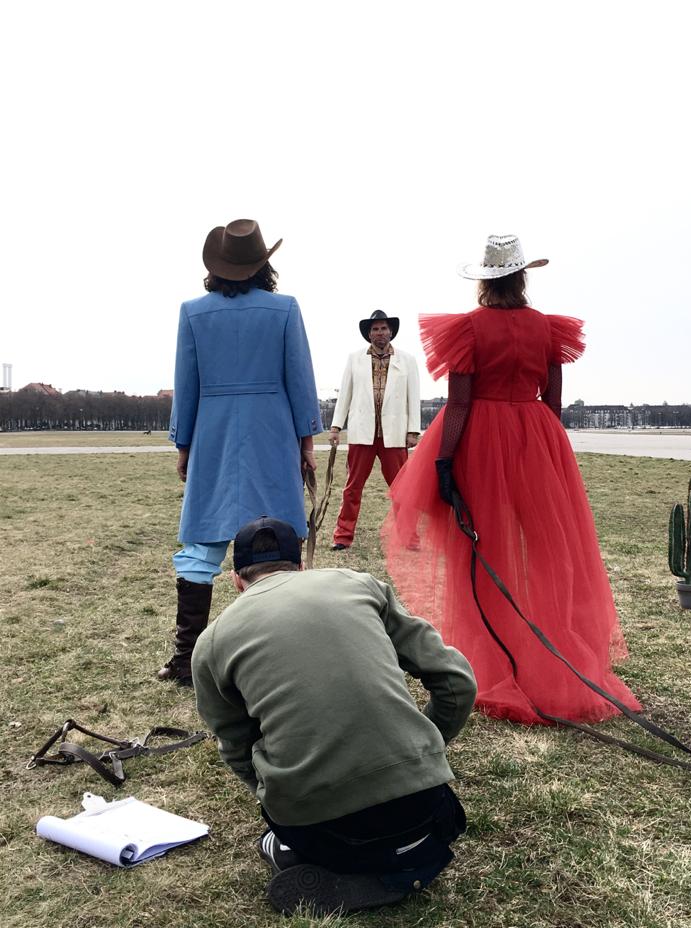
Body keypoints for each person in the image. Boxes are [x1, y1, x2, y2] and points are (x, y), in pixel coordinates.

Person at [383, 235, 641, 724]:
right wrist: (543, 450)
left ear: (485, 280)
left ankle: (491, 657)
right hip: (536, 435)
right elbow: (553, 400)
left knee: (484, 550)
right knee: (550, 550)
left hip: (482, 438)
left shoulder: (467, 328)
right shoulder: (547, 327)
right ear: (522, 277)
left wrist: (444, 461)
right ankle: (556, 651)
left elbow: (459, 403)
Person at [192, 516, 476, 916]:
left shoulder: (211, 643)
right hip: (428, 809)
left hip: (321, 830)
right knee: (418, 829)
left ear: (237, 581)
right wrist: (426, 748)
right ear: (301, 566)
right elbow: (456, 681)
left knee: (297, 835)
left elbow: (236, 746)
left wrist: (275, 795)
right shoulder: (360, 584)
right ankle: (407, 862)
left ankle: (312, 857)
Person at [158, 219, 322, 686]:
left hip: (212, 433)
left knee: (201, 542)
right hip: (272, 431)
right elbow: (300, 378)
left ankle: (186, 658)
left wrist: (184, 445)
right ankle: (282, 654)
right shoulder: (285, 309)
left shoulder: (193, 313)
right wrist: (306, 442)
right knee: (277, 538)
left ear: (217, 266)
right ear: (262, 264)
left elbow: (186, 384)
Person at [328, 309, 421, 550]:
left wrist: (413, 430)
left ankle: (409, 537)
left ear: (391, 332)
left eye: (383, 328)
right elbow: (345, 394)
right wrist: (336, 426)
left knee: (402, 488)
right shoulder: (355, 359)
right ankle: (342, 536)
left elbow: (413, 396)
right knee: (352, 488)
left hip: (394, 434)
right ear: (369, 334)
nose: (380, 333)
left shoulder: (407, 360)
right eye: (375, 329)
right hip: (362, 433)